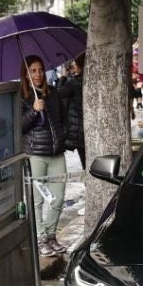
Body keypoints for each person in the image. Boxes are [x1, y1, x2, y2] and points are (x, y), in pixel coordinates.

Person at [21, 56, 68, 257]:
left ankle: (50, 236)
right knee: (36, 200)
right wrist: (33, 111)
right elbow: (19, 126)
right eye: (33, 70)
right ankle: (40, 239)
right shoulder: (21, 97)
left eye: (40, 70)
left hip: (56, 153)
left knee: (58, 198)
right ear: (26, 74)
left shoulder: (53, 93)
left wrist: (63, 137)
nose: (38, 74)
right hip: (35, 154)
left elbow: (62, 118)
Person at [52, 56, 86, 159]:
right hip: (86, 127)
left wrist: (63, 76)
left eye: (74, 63)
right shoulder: (86, 80)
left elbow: (58, 94)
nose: (73, 65)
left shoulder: (74, 83)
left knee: (85, 161)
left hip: (77, 130)